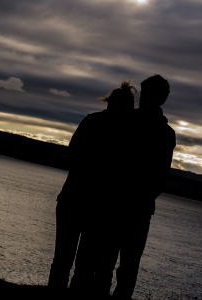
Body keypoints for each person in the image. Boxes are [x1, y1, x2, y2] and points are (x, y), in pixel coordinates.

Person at [91, 74, 177, 299]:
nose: (143, 98)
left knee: (112, 265)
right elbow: (159, 178)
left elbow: (110, 161)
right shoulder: (163, 132)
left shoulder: (128, 122)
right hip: (134, 207)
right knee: (120, 267)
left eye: (146, 93)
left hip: (122, 204)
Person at [47, 80, 138, 292]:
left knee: (62, 260)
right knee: (84, 266)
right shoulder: (128, 135)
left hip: (73, 199)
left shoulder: (91, 122)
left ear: (109, 102)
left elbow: (73, 155)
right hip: (99, 207)